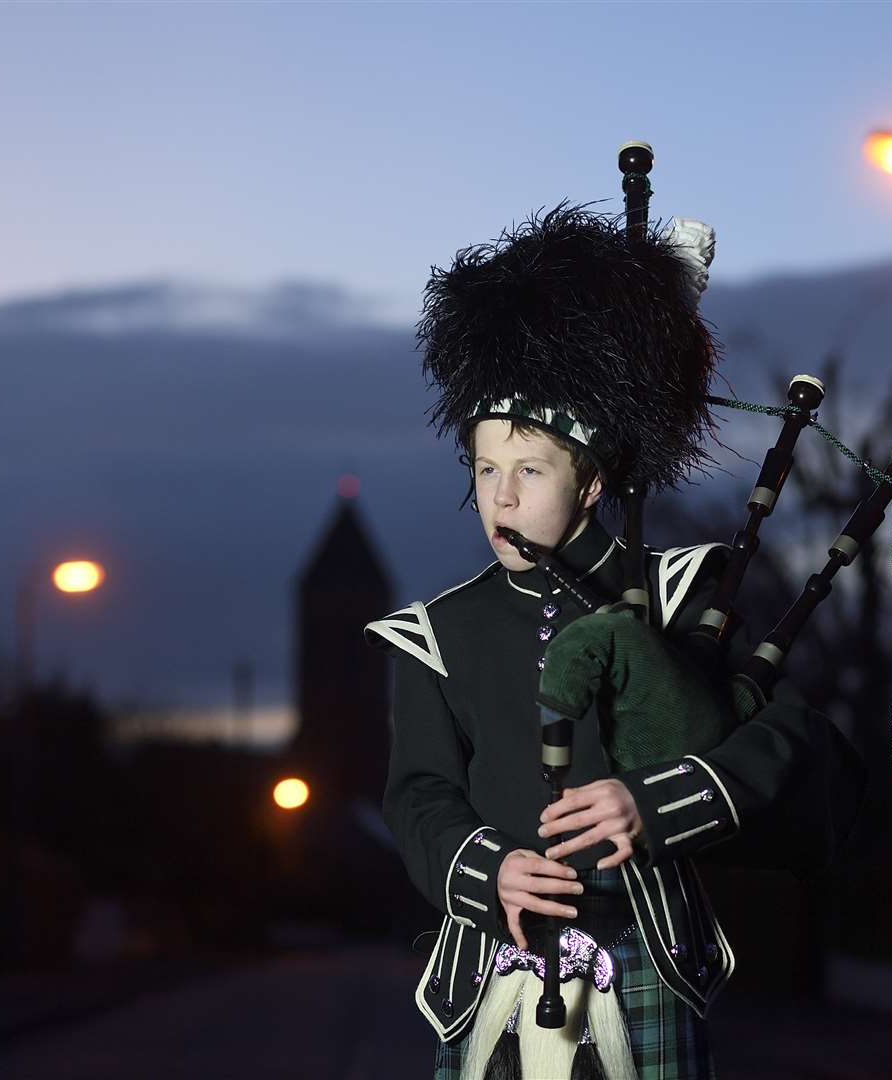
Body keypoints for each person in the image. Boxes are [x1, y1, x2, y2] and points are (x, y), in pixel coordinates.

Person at [365, 206, 863, 1080]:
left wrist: (653, 804)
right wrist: (488, 873)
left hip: (646, 953)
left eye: (530, 470)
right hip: (487, 968)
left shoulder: (678, 595)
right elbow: (419, 796)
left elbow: (781, 734)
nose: (501, 499)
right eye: (485, 470)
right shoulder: (437, 635)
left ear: (591, 481)